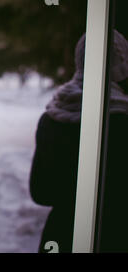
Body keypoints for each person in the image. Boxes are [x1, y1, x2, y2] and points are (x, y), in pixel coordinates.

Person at [29, 30, 128, 253]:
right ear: (121, 64)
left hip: (60, 235)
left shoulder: (52, 117)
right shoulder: (121, 122)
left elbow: (40, 192)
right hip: (113, 236)